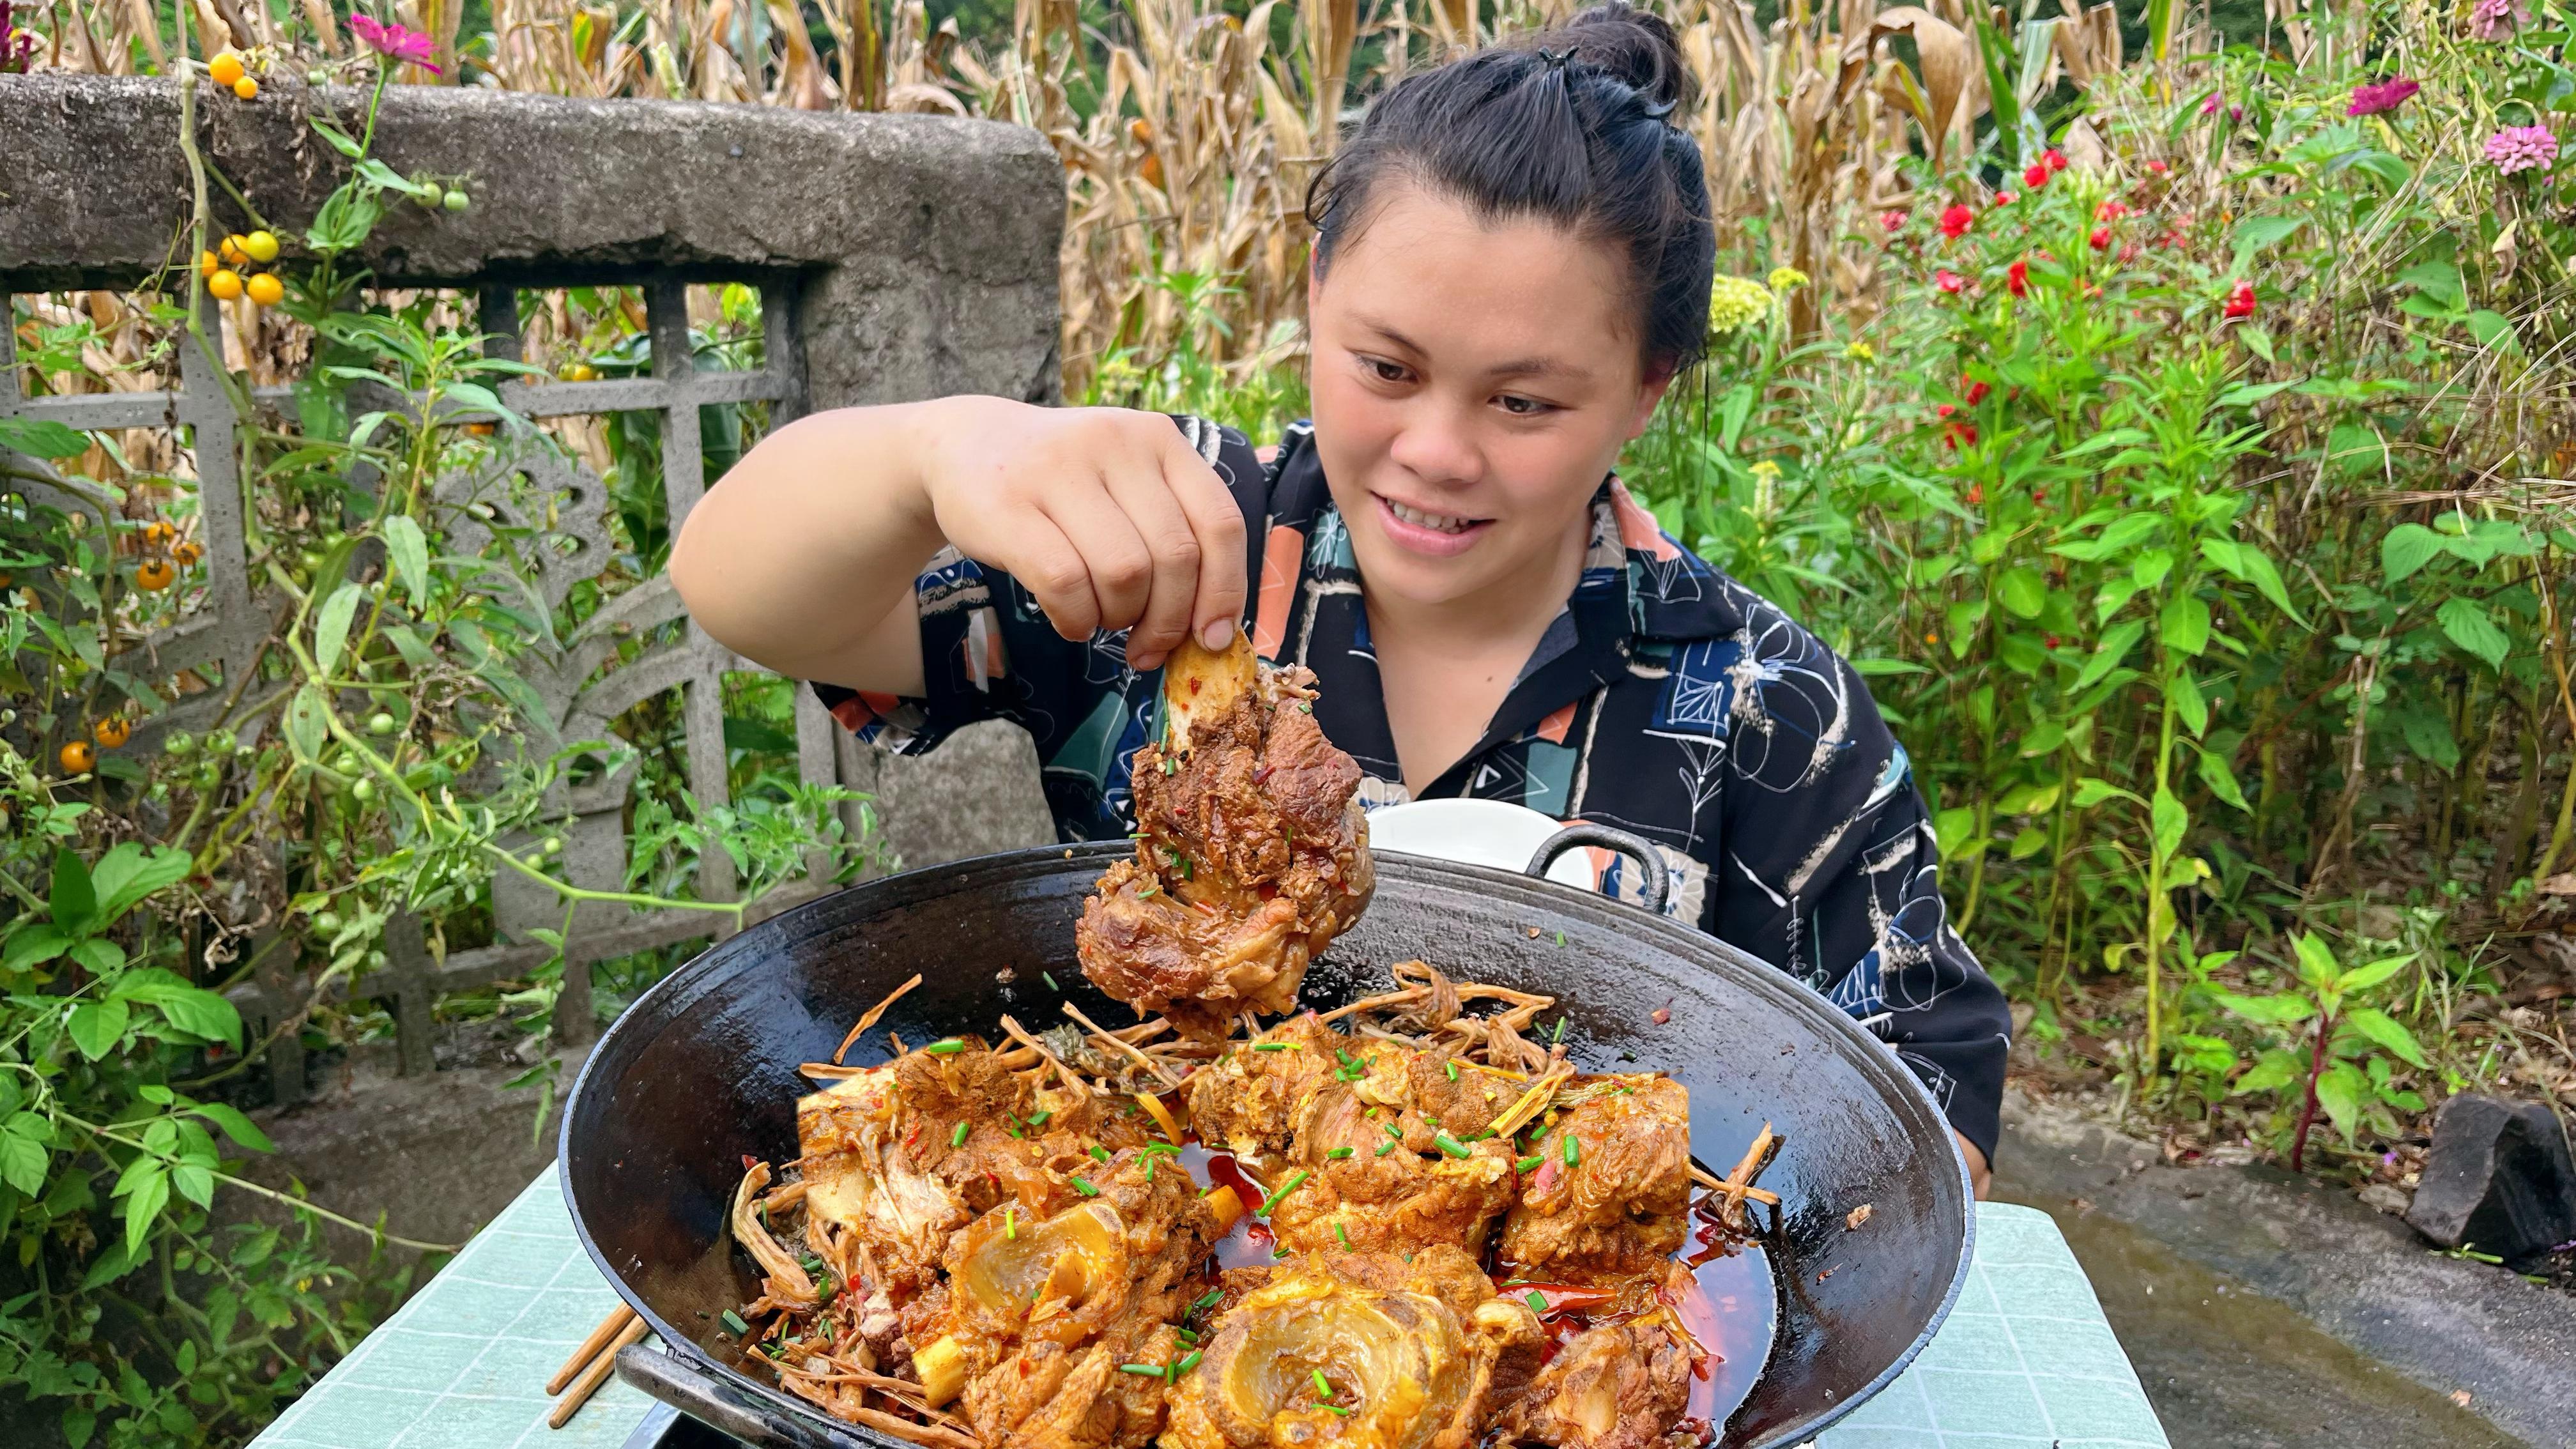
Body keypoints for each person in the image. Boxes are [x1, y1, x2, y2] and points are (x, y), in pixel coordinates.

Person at [669, 3, 2008, 1194]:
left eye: (1524, 402)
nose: (1437, 451)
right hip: (1155, 1223)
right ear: (1316, 300)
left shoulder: (1764, 708)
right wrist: (932, 451)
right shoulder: (1171, 548)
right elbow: (742, 592)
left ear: (1646, 392)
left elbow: (1926, 1118)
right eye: (1386, 369)